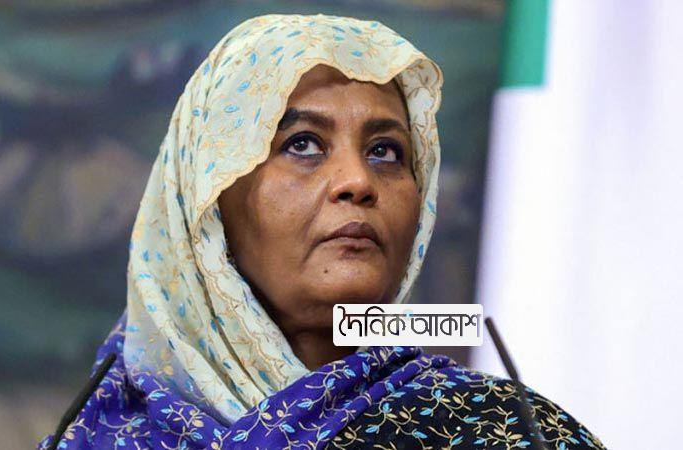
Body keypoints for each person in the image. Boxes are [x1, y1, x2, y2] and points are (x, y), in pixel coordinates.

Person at [39, 14, 605, 450]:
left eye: (386, 152)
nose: (358, 181)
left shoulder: (501, 432)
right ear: (206, 202)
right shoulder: (95, 435)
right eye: (303, 144)